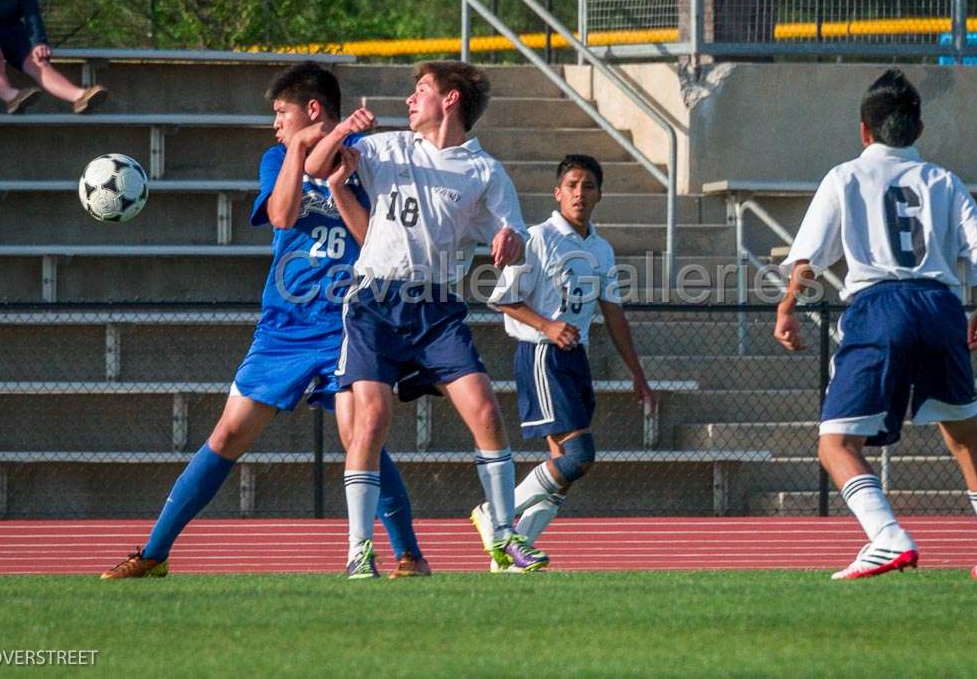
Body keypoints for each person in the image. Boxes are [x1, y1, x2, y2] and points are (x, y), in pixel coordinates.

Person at [101, 62, 429, 580]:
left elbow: (376, 243)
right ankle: (154, 553)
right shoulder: (277, 156)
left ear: (313, 109)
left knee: (360, 435)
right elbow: (280, 216)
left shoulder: (368, 165)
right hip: (285, 328)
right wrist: (299, 149)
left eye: (282, 113)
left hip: (349, 322)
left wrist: (341, 177)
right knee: (228, 435)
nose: (276, 123)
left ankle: (409, 554)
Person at [305, 60, 549, 577]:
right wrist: (345, 129)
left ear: (451, 100)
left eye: (422, 90)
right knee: (371, 420)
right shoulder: (389, 146)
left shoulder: (484, 170)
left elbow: (517, 237)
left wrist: (510, 239)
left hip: (436, 308)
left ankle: (504, 538)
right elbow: (315, 167)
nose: (411, 99)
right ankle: (358, 552)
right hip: (375, 302)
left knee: (485, 410)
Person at [774, 69, 977, 580]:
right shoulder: (944, 180)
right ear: (919, 129)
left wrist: (788, 306)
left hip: (880, 305)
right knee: (965, 435)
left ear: (864, 130)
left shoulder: (844, 176)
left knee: (836, 443)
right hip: (940, 305)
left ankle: (887, 537)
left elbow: (806, 260)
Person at [468, 153, 654, 570]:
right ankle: (494, 515)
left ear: (599, 195)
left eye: (588, 186)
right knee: (578, 455)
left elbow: (614, 313)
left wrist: (638, 375)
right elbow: (502, 299)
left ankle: (510, 557)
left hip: (575, 359)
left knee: (564, 469)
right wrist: (548, 326)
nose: (580, 193)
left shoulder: (601, 250)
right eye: (572, 185)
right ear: (558, 192)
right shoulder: (537, 238)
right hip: (542, 355)